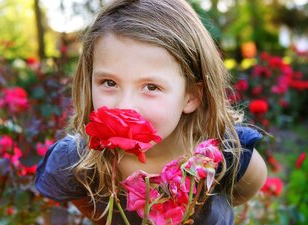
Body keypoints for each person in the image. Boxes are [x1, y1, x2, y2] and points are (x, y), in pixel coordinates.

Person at [35, 0, 267, 224]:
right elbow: (79, 199)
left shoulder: (224, 153)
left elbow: (250, 185)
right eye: (109, 83)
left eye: (151, 87)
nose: (124, 106)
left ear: (191, 96)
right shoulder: (78, 160)